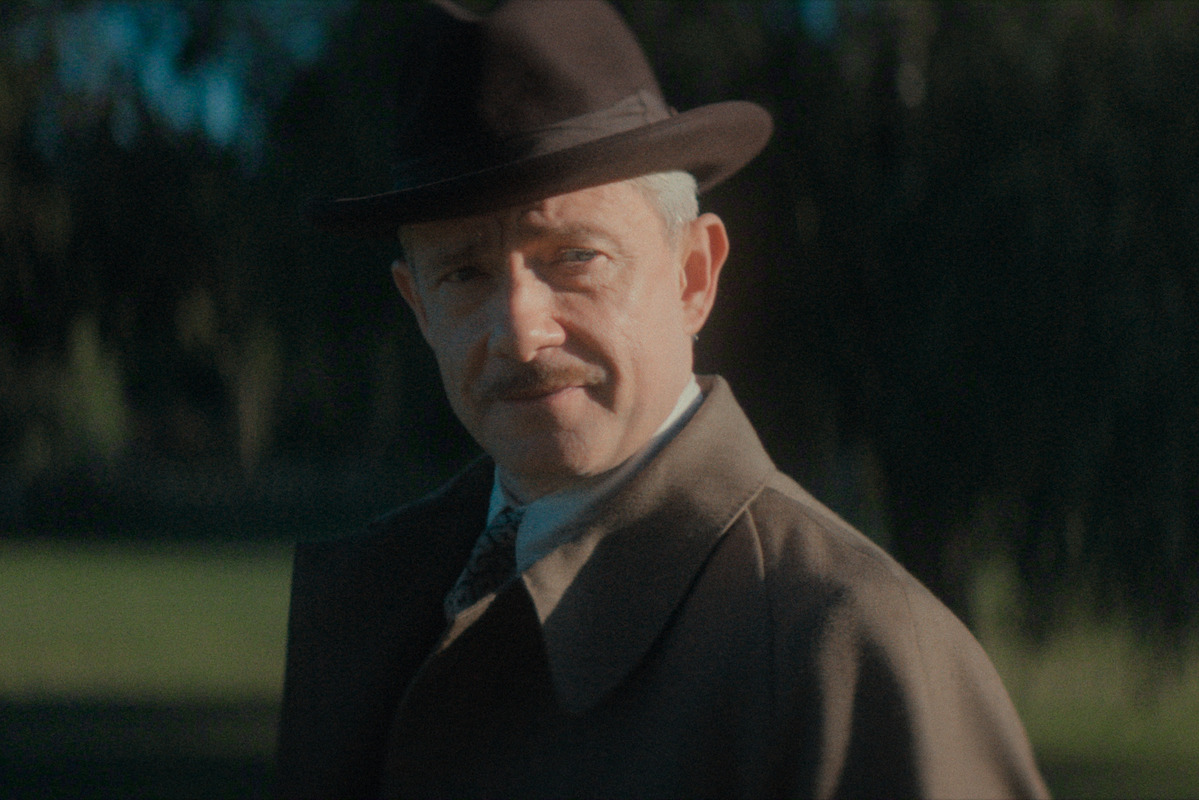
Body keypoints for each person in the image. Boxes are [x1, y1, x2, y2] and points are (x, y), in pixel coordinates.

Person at [276, 1, 1050, 798]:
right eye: (463, 274)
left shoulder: (853, 651)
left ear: (693, 275)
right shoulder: (374, 612)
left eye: (575, 256)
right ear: (418, 307)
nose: (518, 331)